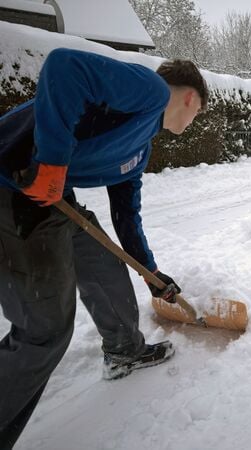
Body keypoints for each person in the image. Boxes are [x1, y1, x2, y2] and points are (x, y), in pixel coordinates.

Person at [0, 47, 208, 448]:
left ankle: (124, 350)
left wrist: (152, 274)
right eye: (198, 113)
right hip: (11, 186)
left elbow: (127, 216)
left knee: (99, 254)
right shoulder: (148, 90)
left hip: (49, 198)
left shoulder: (139, 148)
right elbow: (64, 66)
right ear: (190, 98)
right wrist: (54, 162)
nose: (194, 119)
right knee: (43, 331)